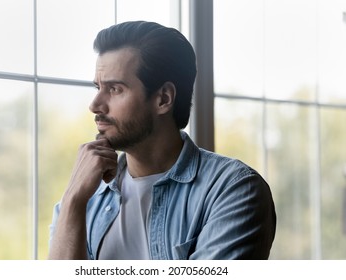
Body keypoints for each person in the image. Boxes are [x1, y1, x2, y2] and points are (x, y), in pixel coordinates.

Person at [48, 21, 276, 260]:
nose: (95, 105)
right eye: (98, 87)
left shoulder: (232, 190)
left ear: (163, 99)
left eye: (115, 89)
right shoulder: (85, 196)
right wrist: (73, 201)